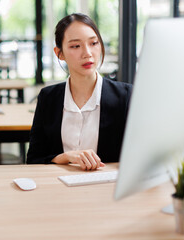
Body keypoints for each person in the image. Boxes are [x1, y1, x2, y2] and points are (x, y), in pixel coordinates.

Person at [26, 13, 132, 170]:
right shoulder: (48, 97)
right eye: (76, 46)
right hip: (58, 188)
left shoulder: (125, 96)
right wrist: (65, 157)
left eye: (94, 43)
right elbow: (34, 160)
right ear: (59, 53)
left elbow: (139, 159)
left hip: (106, 189)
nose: (87, 53)